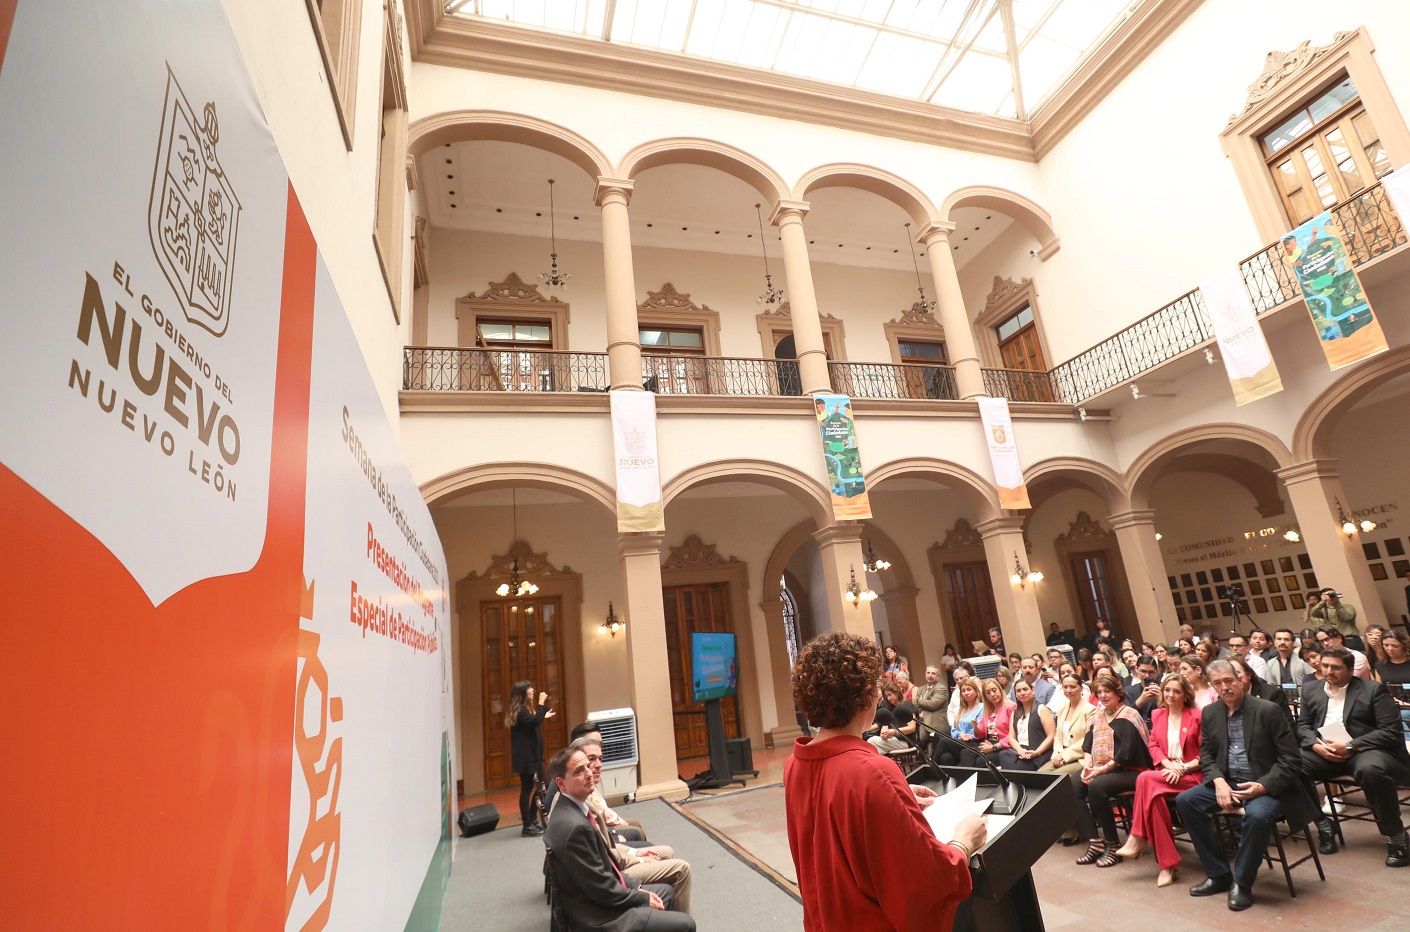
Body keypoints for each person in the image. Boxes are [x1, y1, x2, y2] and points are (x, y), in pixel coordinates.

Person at [784, 632, 986, 931]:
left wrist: (894, 797)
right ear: (866, 695)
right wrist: (963, 843)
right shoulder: (872, 772)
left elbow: (833, 823)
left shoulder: (795, 763)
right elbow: (922, 879)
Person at [1175, 660, 1314, 912]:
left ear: (1240, 680)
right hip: (1228, 781)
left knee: (1257, 816)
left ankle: (1242, 882)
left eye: (1229, 680)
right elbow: (1206, 755)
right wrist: (1218, 781)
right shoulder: (1211, 712)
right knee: (1186, 801)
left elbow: (1291, 760)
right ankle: (1218, 874)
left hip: (1268, 783)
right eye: (1218, 683)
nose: (1224, 687)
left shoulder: (1268, 710)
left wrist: (1262, 786)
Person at [544, 746, 695, 931]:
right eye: (579, 771)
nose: (589, 774)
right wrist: (641, 897)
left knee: (666, 892)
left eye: (587, 767)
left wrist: (636, 887)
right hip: (599, 917)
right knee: (687, 924)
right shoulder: (575, 827)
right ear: (561, 784)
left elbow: (605, 870)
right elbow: (602, 890)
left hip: (595, 901)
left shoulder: (569, 810)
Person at [1298, 645, 1410, 867]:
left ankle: (1396, 835)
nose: (1328, 671)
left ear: (1350, 670)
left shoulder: (1373, 690)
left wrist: (1350, 746)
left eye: (1336, 667)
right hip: (1326, 750)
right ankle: (1323, 824)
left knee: (1371, 770)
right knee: (1290, 764)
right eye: (1325, 666)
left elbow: (1390, 732)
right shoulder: (1311, 690)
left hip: (1366, 750)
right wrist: (1314, 745)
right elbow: (1302, 725)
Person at [1113, 673, 1202, 886]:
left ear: (1185, 695)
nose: (1171, 695)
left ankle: (1137, 836)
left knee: (1145, 778)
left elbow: (1206, 752)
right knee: (1154, 802)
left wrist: (1182, 768)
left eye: (1176, 691)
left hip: (1191, 774)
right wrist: (1168, 764)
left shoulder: (1197, 716)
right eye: (1167, 690)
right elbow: (1153, 745)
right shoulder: (1157, 714)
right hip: (1166, 773)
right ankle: (1167, 867)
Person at [1072, 671, 1152, 867]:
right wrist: (1088, 765)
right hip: (1103, 769)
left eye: (1107, 691)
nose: (1103, 695)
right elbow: (1087, 745)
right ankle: (1094, 842)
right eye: (1099, 692)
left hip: (1132, 770)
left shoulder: (1129, 715)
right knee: (1071, 785)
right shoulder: (1097, 716)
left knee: (1096, 786)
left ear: (1117, 692)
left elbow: (1125, 754)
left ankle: (1113, 844)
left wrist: (1099, 771)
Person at [507, 679, 554, 837]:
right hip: (526, 757)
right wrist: (541, 703)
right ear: (522, 693)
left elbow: (534, 720)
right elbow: (534, 721)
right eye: (529, 688)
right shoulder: (520, 710)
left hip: (534, 756)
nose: (533, 690)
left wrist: (543, 714)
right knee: (527, 789)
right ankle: (527, 825)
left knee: (544, 786)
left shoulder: (525, 709)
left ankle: (532, 819)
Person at [1039, 673, 1093, 780]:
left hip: (1080, 757)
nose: (1069, 690)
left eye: (1073, 687)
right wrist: (1057, 755)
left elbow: (1088, 740)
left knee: (1055, 778)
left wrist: (1064, 756)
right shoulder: (1062, 708)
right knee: (1039, 775)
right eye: (1065, 687)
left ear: (1081, 688)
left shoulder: (1090, 710)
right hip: (1060, 755)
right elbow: (1058, 737)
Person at [999, 679, 1055, 771]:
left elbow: (1051, 736)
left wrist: (1037, 752)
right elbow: (1011, 737)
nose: (1022, 693)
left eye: (1025, 689)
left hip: (1038, 752)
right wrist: (1020, 750)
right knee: (1003, 755)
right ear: (1016, 695)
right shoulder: (1015, 713)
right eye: (1018, 691)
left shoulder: (1042, 709)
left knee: (1017, 767)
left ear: (1032, 691)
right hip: (1021, 751)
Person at [968, 678, 1014, 768]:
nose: (992, 694)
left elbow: (1013, 734)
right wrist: (976, 726)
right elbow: (981, 733)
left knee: (980, 761)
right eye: (988, 693)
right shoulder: (988, 709)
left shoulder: (1011, 707)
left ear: (1000, 690)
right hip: (990, 742)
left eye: (994, 690)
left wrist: (993, 747)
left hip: (1004, 745)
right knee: (966, 753)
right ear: (985, 696)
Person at [1375, 629, 1410, 740]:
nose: (1390, 649)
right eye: (1386, 645)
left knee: (1401, 717)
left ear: (1404, 645)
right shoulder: (1380, 666)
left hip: (1406, 707)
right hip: (1394, 706)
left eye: (1395, 646)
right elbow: (1379, 690)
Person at [913, 664, 951, 757]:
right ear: (925, 674)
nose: (930, 675)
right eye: (928, 673)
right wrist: (923, 703)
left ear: (938, 676)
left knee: (921, 738)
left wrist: (920, 701)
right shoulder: (921, 689)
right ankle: (923, 757)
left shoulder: (941, 688)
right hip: (920, 720)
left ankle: (927, 756)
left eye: (933, 673)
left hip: (935, 722)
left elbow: (933, 705)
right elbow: (914, 705)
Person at [948, 680, 984, 765]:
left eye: (969, 690)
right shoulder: (962, 709)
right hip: (960, 740)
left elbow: (980, 728)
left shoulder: (982, 707)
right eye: (963, 691)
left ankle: (929, 767)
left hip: (974, 741)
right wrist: (960, 734)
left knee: (944, 741)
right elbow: (954, 728)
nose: (966, 693)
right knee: (946, 757)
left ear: (976, 691)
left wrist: (967, 736)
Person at [1126, 655, 1162, 725]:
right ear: (1137, 669)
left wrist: (1161, 699)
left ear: (1157, 671)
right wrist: (1141, 701)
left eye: (1151, 672)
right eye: (1143, 671)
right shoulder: (1128, 691)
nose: (1147, 675)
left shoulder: (1165, 689)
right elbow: (1126, 717)